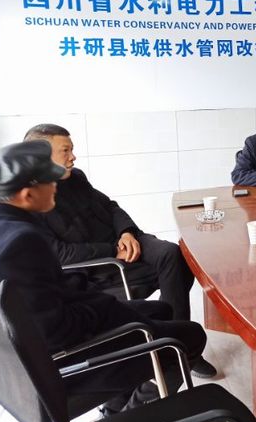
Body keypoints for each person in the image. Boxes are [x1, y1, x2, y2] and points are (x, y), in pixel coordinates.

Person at [0, 141, 207, 413]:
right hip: (62, 367)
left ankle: (115, 408)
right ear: (27, 194)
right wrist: (107, 308)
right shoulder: (20, 242)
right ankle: (127, 419)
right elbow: (58, 331)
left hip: (22, 366)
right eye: (50, 181)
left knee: (162, 311)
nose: (56, 186)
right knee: (189, 337)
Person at [23, 124, 217, 378]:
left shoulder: (76, 177)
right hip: (101, 266)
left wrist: (126, 232)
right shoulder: (33, 197)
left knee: (173, 255)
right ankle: (176, 349)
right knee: (174, 273)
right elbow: (61, 254)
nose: (73, 157)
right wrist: (113, 250)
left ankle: (177, 345)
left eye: (72, 149)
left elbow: (111, 207)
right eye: (65, 151)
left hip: (124, 242)